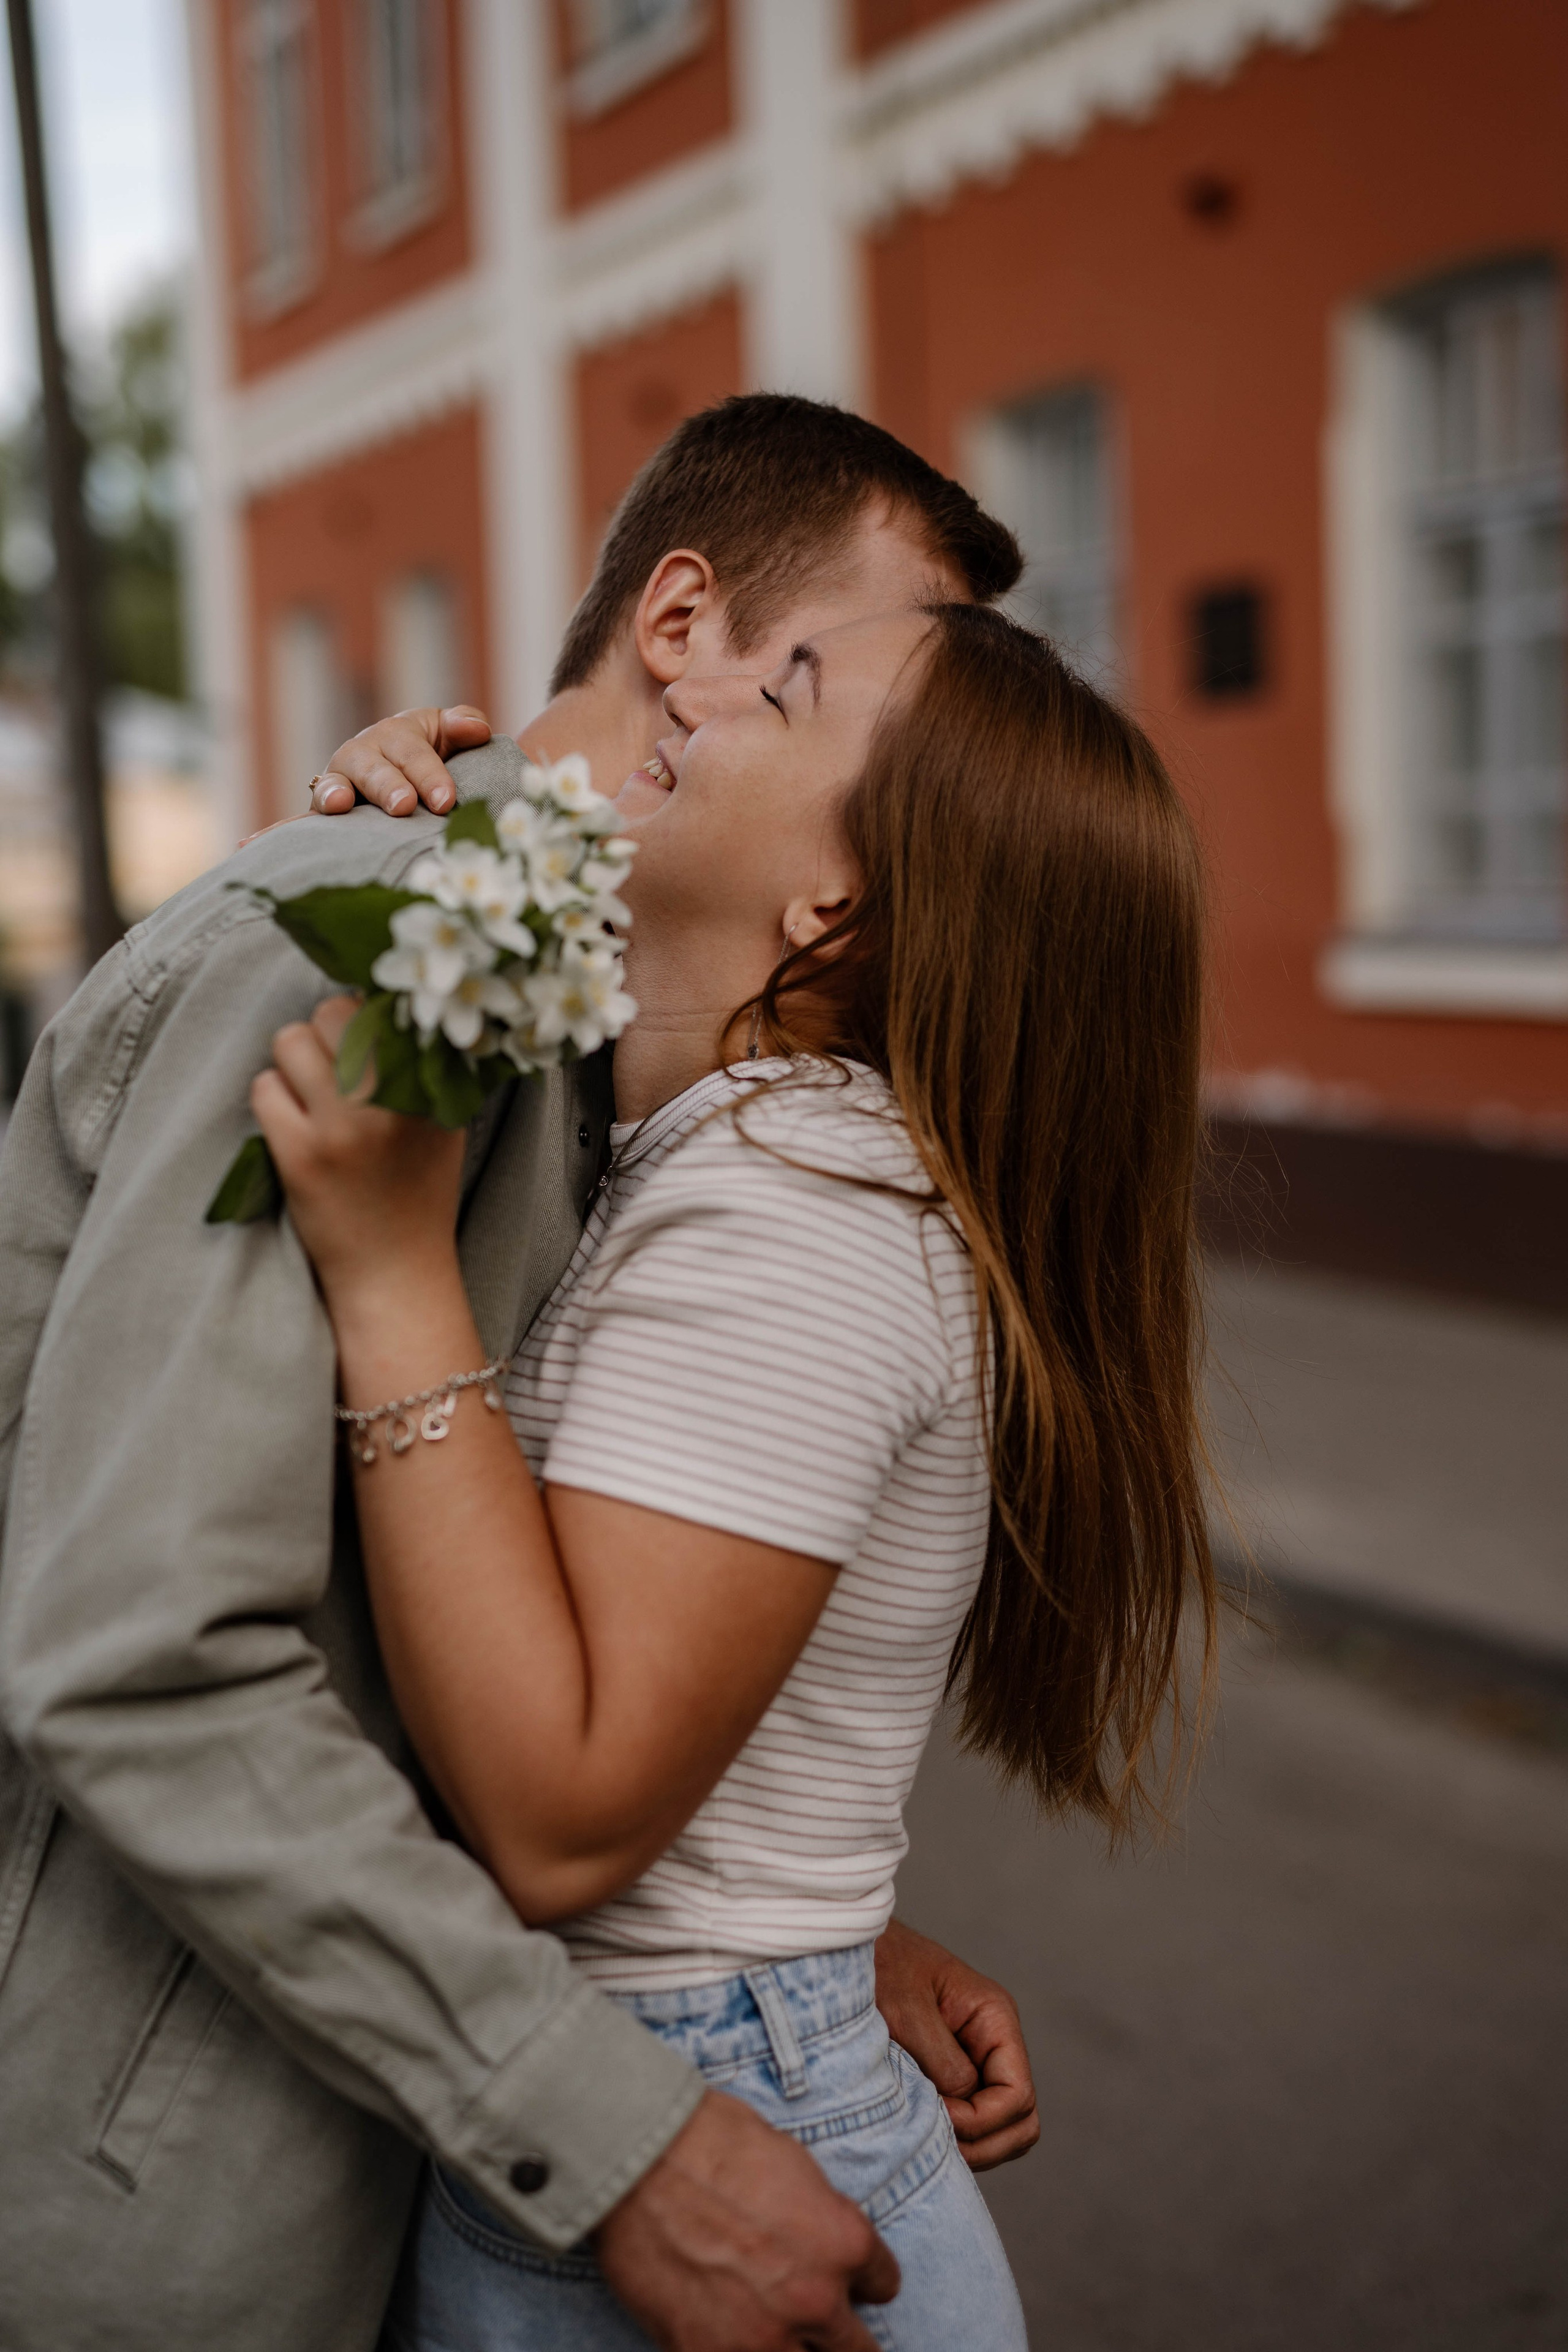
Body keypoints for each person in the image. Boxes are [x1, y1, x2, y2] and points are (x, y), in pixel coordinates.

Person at [0, 398, 1033, 2352]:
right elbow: (142, 1655)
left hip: (345, 2143)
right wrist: (627, 2136)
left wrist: (800, 1943)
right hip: (146, 2200)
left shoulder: (611, 1037)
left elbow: (498, 1617)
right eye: (838, 672)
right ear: (682, 629)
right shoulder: (379, 961)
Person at [255, 599, 1218, 2347]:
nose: (684, 679)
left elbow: (563, 1817)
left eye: (782, 686)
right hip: (686, 2066)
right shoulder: (737, 1152)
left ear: (830, 906)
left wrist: (390, 1277)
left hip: (692, 2107)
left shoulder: (799, 1213)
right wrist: (393, 827)